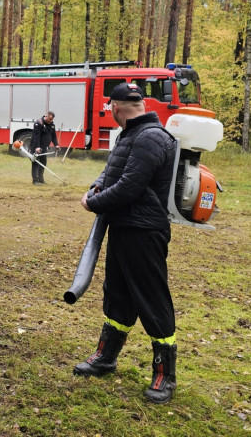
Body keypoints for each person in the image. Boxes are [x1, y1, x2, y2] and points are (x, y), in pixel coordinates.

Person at [74, 82, 179, 404]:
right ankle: (106, 357)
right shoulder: (132, 135)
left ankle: (164, 375)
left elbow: (130, 187)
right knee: (117, 293)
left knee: (151, 299)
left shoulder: (151, 137)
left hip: (143, 231)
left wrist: (93, 203)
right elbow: (113, 173)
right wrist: (96, 186)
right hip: (123, 227)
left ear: (115, 108)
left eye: (110, 110)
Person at [30, 111, 59, 185]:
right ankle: (35, 180)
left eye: (52, 119)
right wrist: (37, 147)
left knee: (43, 162)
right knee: (36, 162)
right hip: (36, 146)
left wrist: (56, 145)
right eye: (50, 119)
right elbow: (36, 136)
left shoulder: (52, 125)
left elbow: (53, 136)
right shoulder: (39, 123)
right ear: (46, 116)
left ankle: (41, 179)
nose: (51, 121)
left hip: (44, 147)